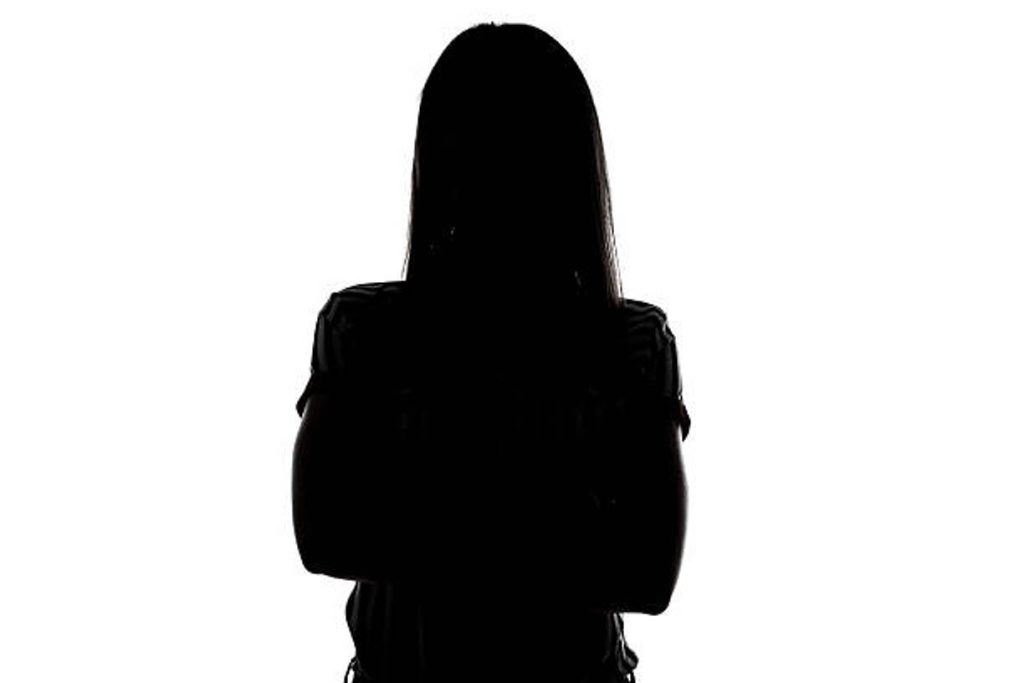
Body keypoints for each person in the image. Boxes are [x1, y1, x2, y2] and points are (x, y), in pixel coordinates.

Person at [292, 22, 690, 683]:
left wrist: (425, 517)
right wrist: (556, 527)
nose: (493, 180)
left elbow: (650, 576)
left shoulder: (363, 331)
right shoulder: (631, 346)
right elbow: (323, 533)